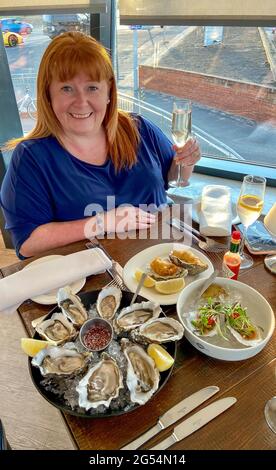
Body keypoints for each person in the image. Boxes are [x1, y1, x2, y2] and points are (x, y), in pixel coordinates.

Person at [1, 32, 201, 259]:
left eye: (92, 88)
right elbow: (28, 243)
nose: (81, 101)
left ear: (109, 92)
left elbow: (175, 180)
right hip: (91, 278)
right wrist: (101, 222)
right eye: (66, 88)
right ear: (48, 95)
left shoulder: (139, 128)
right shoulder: (31, 158)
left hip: (163, 259)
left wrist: (186, 163)